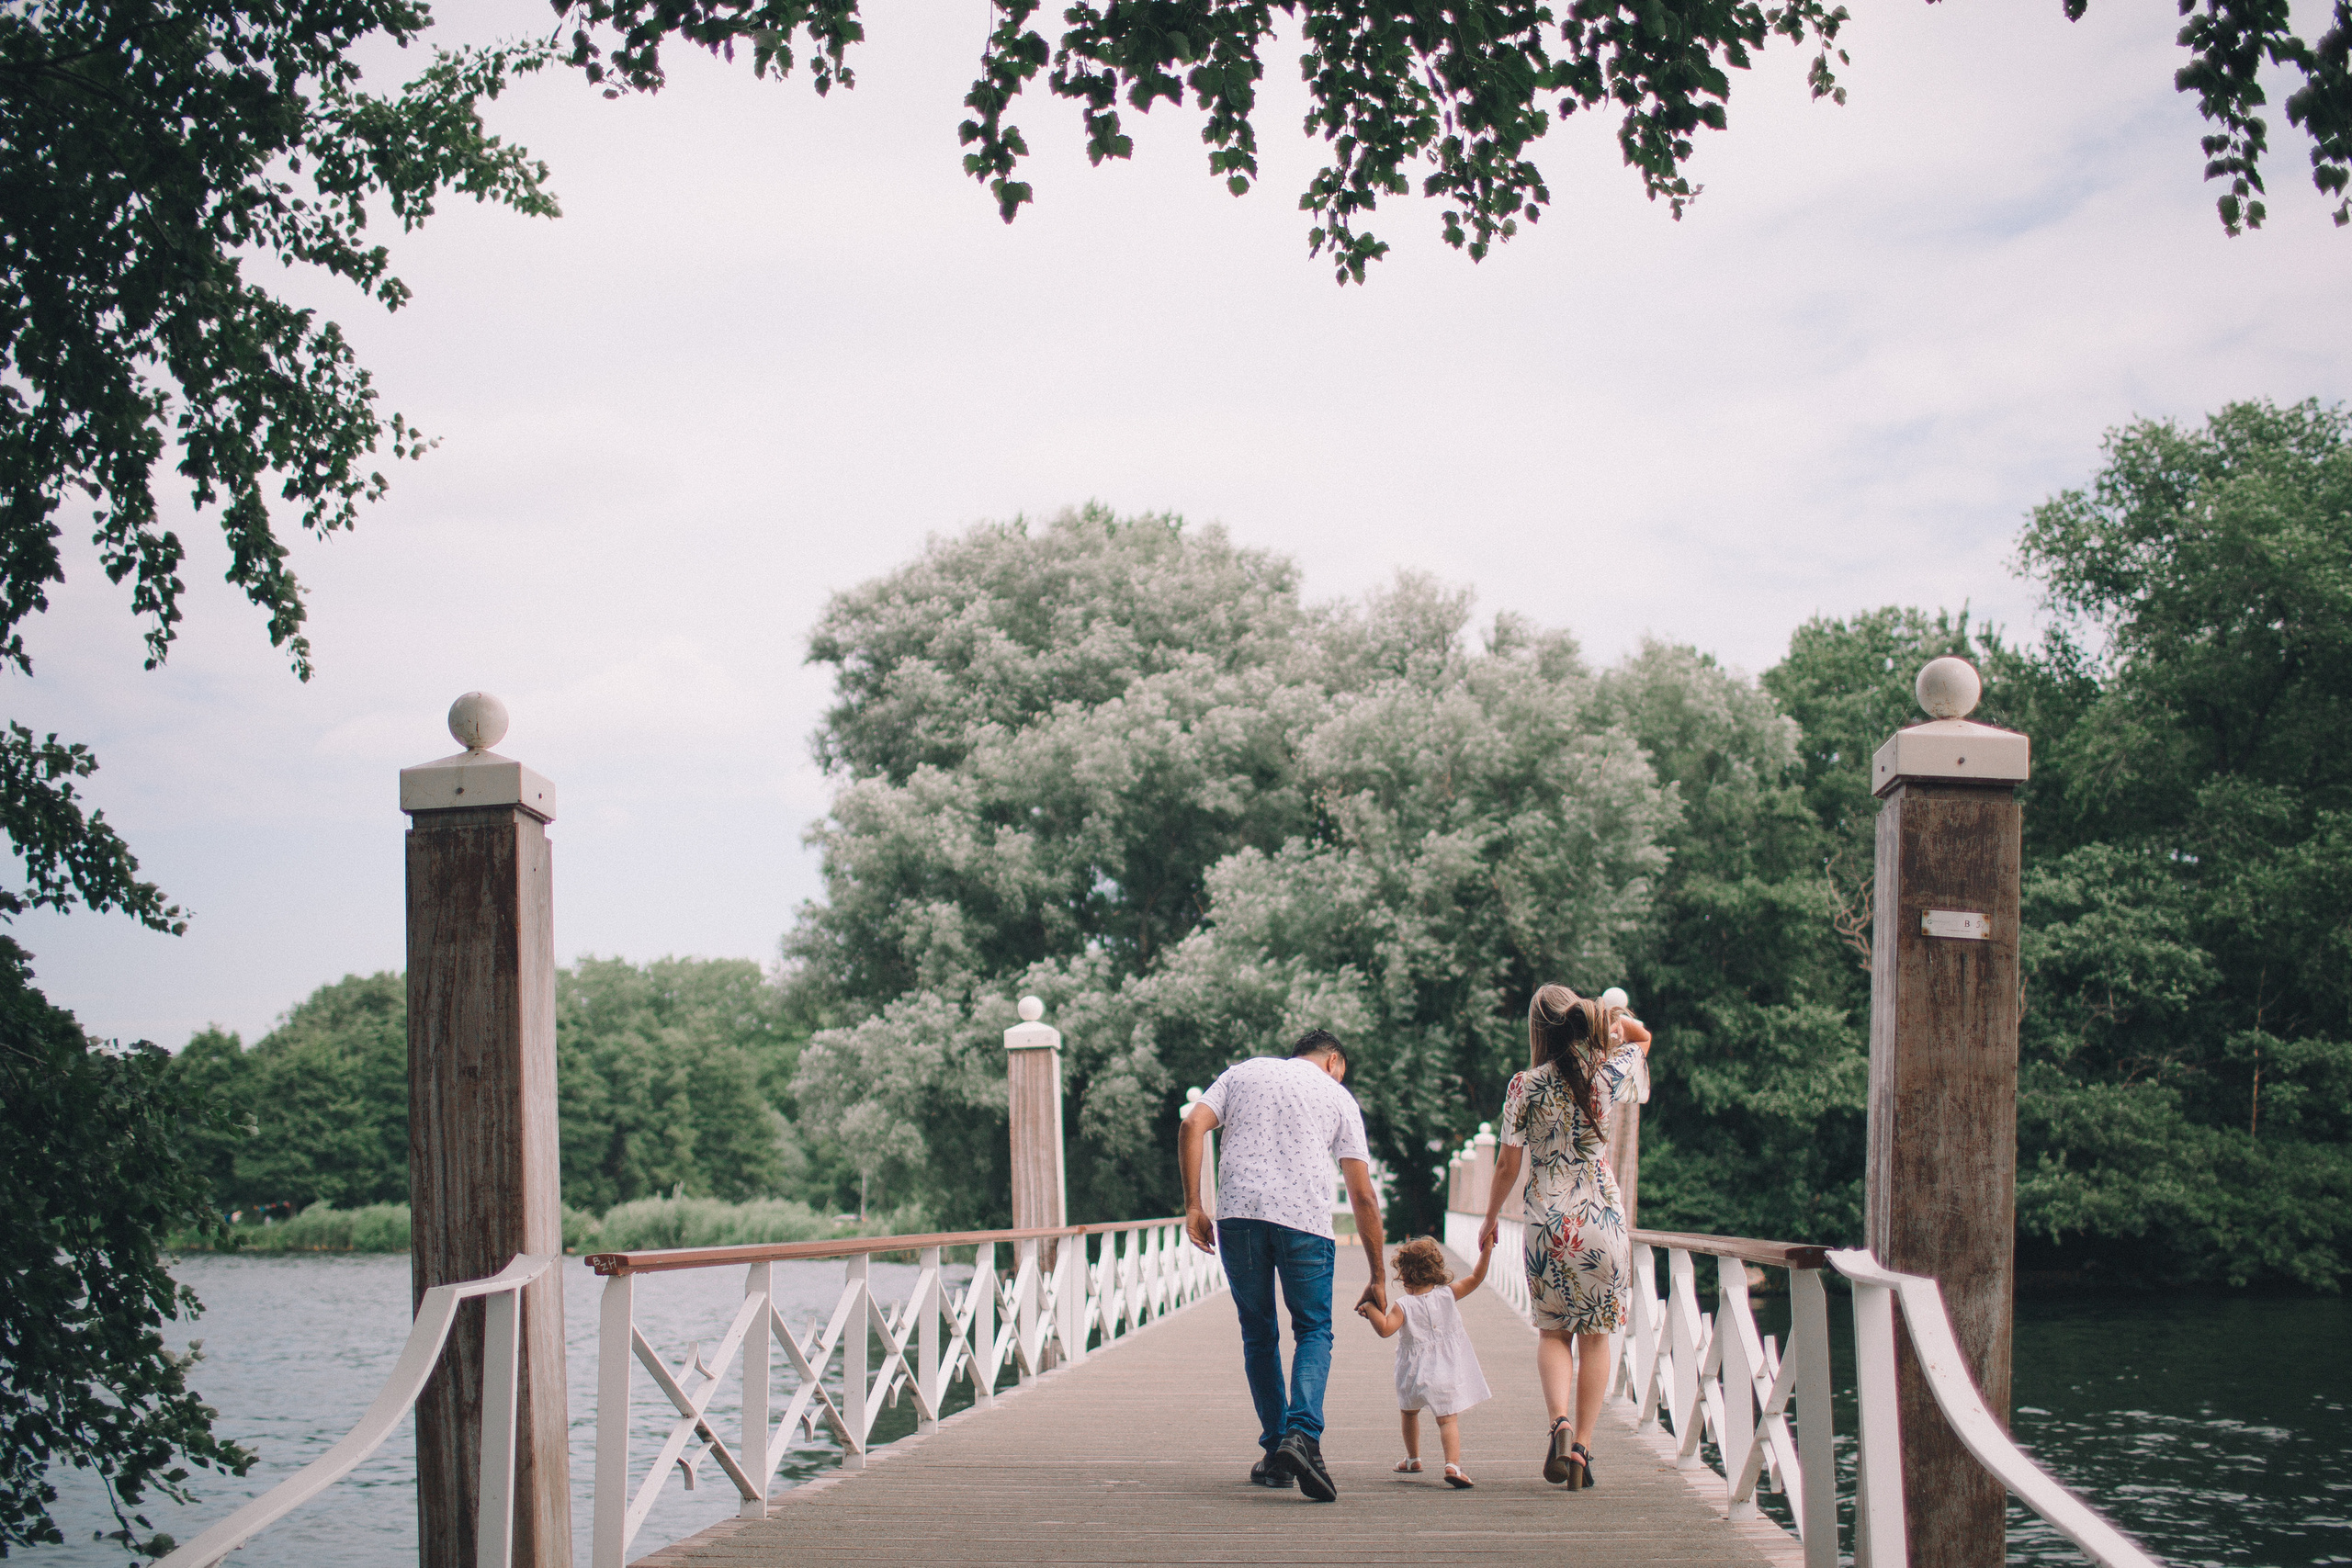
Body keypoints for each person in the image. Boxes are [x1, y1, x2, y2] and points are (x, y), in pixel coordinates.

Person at [1181, 1029, 1387, 1503]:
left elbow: (1192, 1126)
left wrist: (1194, 1205)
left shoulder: (1242, 1073)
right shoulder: (1336, 1095)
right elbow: (1362, 1195)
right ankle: (1302, 1436)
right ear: (1334, 1061)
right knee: (1313, 1330)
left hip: (1238, 1218)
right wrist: (1378, 1275)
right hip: (1305, 1224)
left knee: (1259, 1333)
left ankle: (1277, 1451)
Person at [1477, 986, 1653, 1491]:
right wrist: (1613, 1017)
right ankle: (1581, 1453)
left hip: (1547, 1225)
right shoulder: (1608, 1070)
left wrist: (1490, 1219)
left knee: (1554, 1331)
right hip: (1602, 1219)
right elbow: (1645, 1038)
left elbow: (1508, 1162)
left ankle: (1560, 1424)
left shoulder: (1523, 1085)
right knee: (1597, 1335)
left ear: (1538, 1030)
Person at [1355, 1233, 1496, 1489]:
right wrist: (1486, 1250)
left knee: (1409, 1412)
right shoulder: (1448, 1294)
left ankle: (1413, 1459)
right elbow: (1477, 1277)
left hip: (1413, 1371)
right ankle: (1452, 1465)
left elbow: (1386, 1329)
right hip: (1447, 1368)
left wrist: (1370, 1308)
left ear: (1405, 1275)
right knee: (1447, 1419)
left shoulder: (1404, 1305)